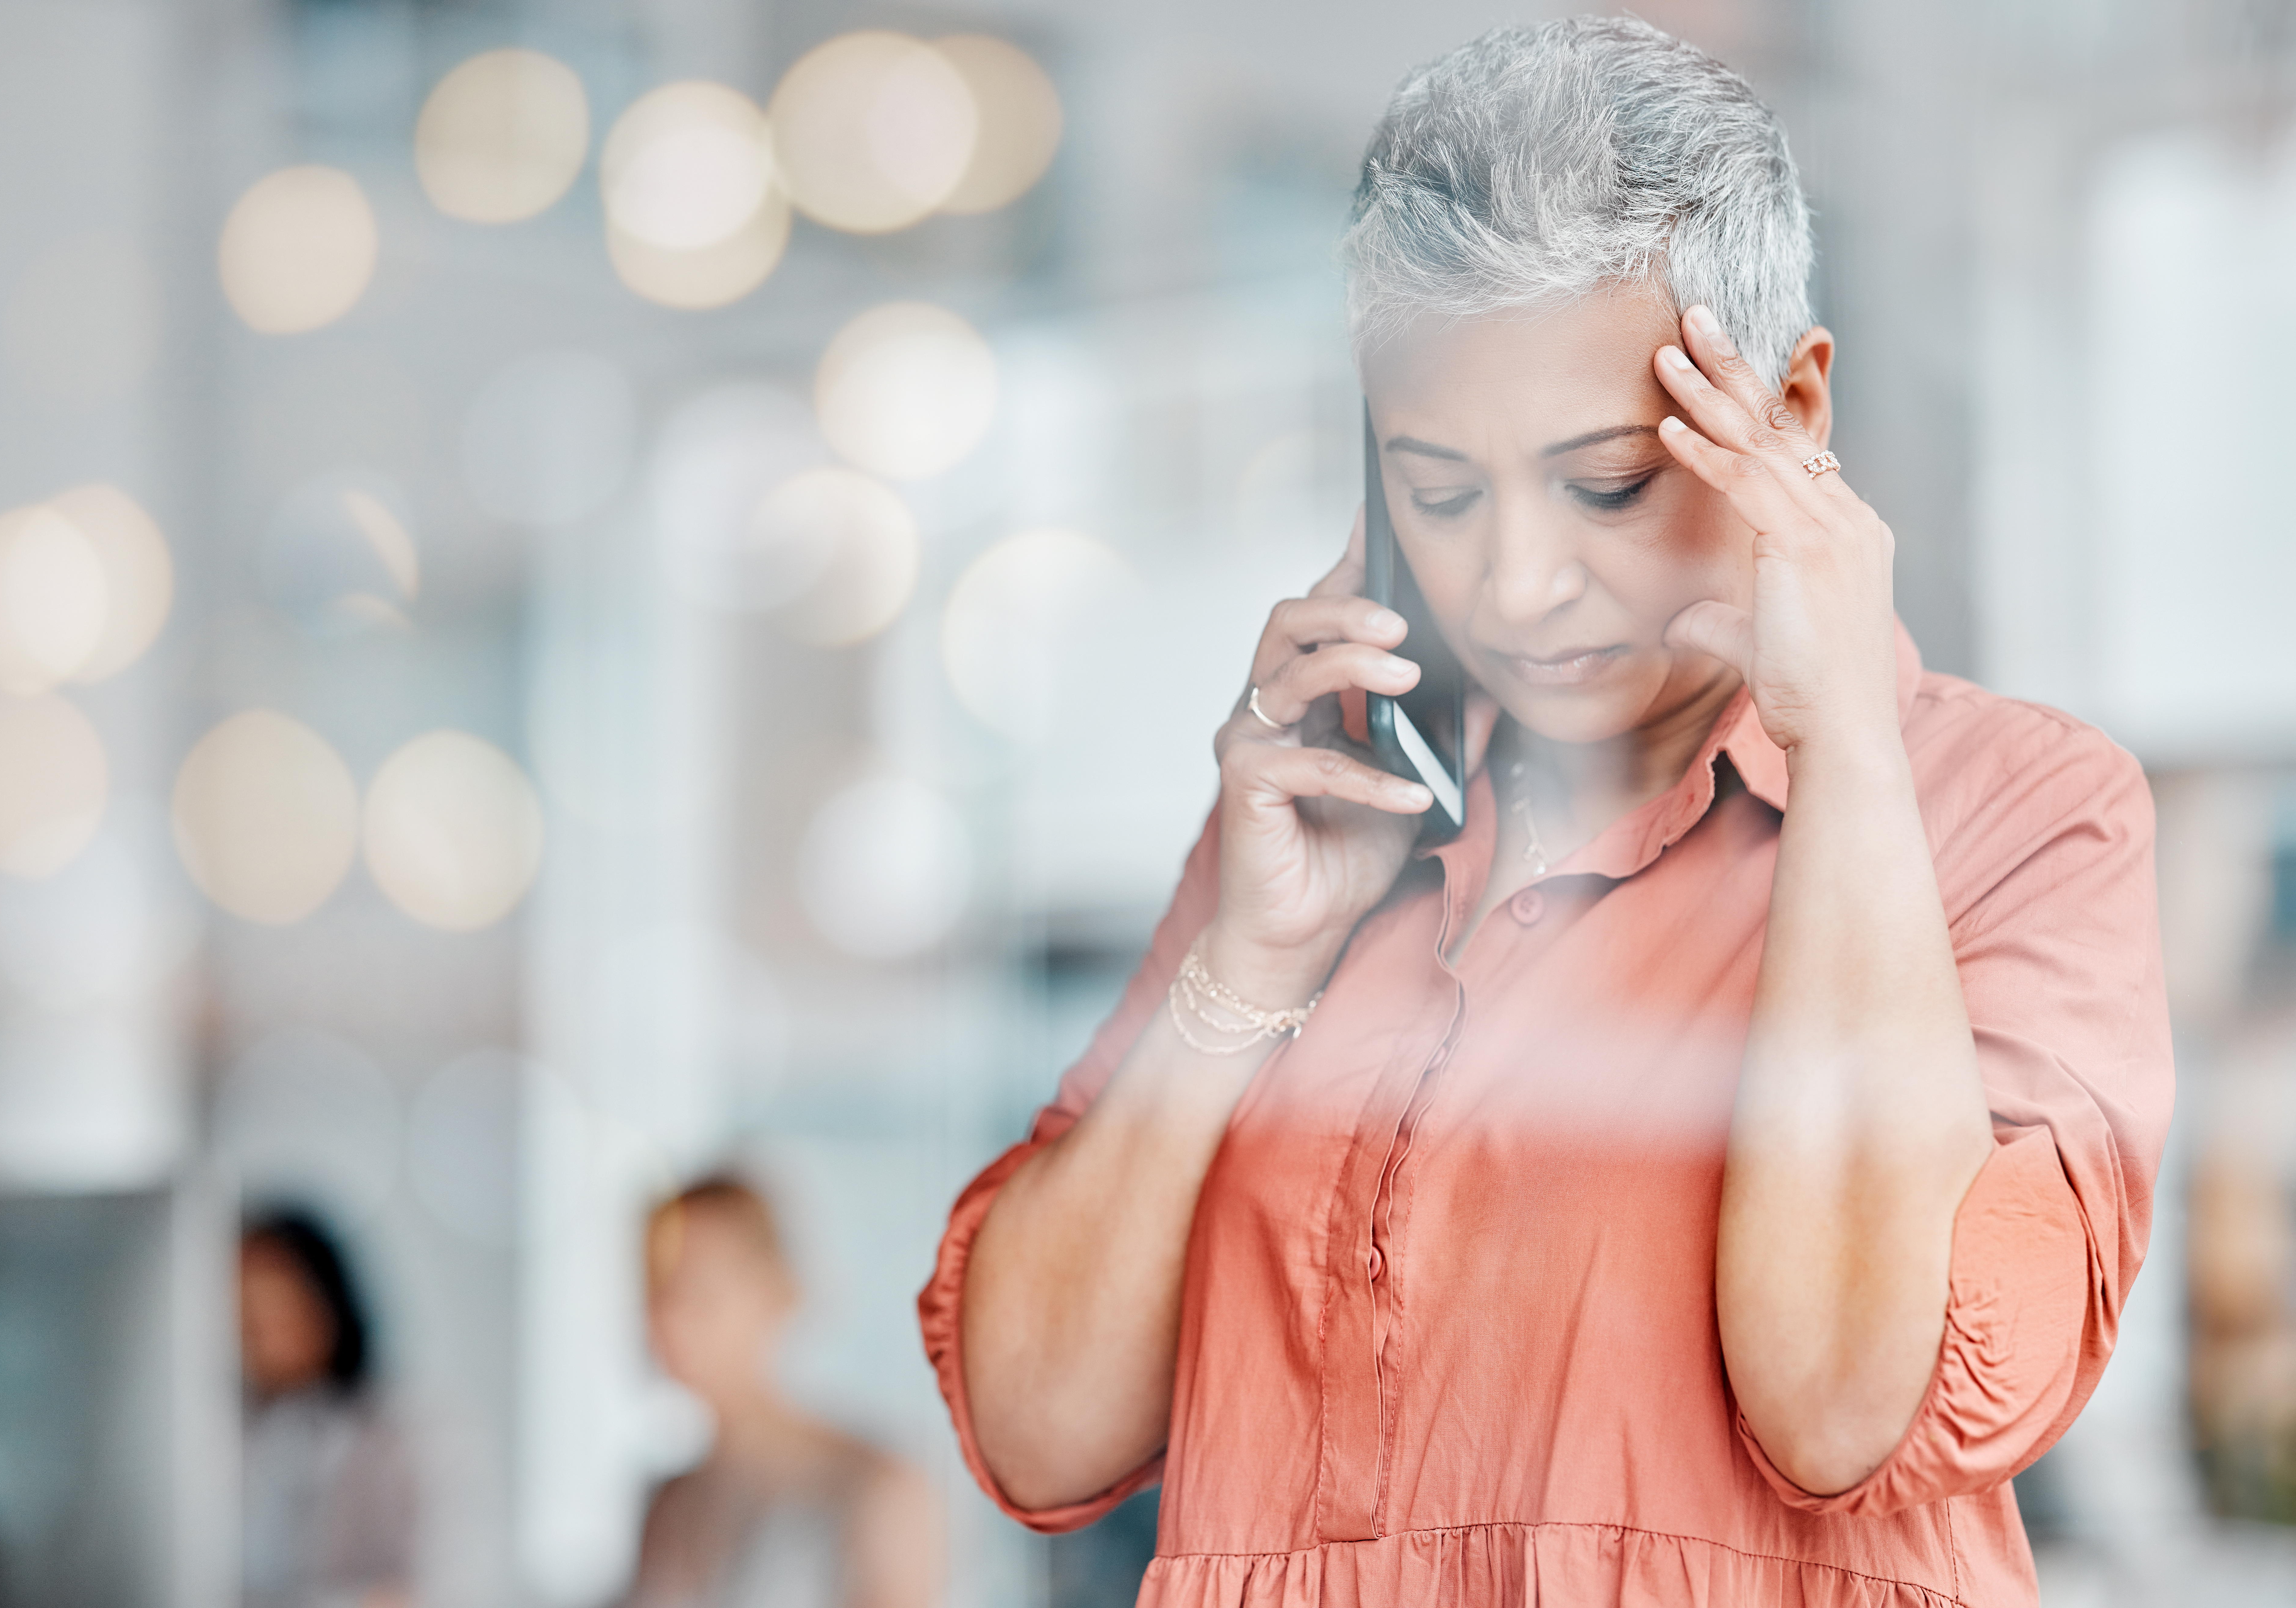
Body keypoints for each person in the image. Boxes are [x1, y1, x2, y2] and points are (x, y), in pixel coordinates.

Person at [919, 17, 2171, 1608]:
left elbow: (1844, 1394)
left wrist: (1841, 747)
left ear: (1786, 408)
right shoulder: (1339, 815)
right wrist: (1240, 966)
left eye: (1598, 484)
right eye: (1435, 493)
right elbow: (1032, 1432)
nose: (1510, 585)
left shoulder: (2014, 812)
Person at [627, 1177, 939, 1608]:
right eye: (654, 1291)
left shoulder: (881, 1492)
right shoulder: (668, 1505)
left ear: (774, 1294)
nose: (665, 1318)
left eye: (696, 1293)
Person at [239, 1208, 419, 1608]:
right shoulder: (231, 1441)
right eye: (245, 1318)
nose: (258, 1335)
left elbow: (439, 1591)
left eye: (278, 1309)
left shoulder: (411, 1437)